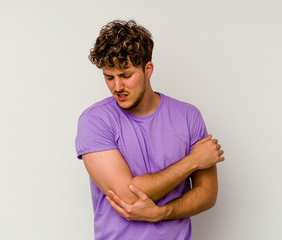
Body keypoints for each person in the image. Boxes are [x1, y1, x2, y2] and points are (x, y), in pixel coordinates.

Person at [75, 20, 225, 240]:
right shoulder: (95, 121)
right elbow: (128, 195)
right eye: (109, 77)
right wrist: (193, 161)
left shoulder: (188, 116)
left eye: (126, 75)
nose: (117, 87)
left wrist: (161, 213)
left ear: (148, 69)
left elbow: (208, 193)